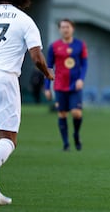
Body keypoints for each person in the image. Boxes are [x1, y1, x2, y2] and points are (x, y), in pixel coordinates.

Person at [0, 0, 54, 206]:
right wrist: (47, 73)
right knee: (9, 140)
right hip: (4, 79)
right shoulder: (24, 20)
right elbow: (36, 57)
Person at [44, 18, 88, 151]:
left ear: (72, 28)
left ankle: (76, 134)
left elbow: (85, 64)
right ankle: (66, 143)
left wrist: (81, 79)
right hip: (59, 85)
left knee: (76, 113)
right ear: (59, 29)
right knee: (62, 114)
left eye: (67, 27)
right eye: (62, 27)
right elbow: (49, 67)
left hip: (75, 85)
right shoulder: (54, 46)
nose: (65, 29)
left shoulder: (80, 45)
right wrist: (47, 87)